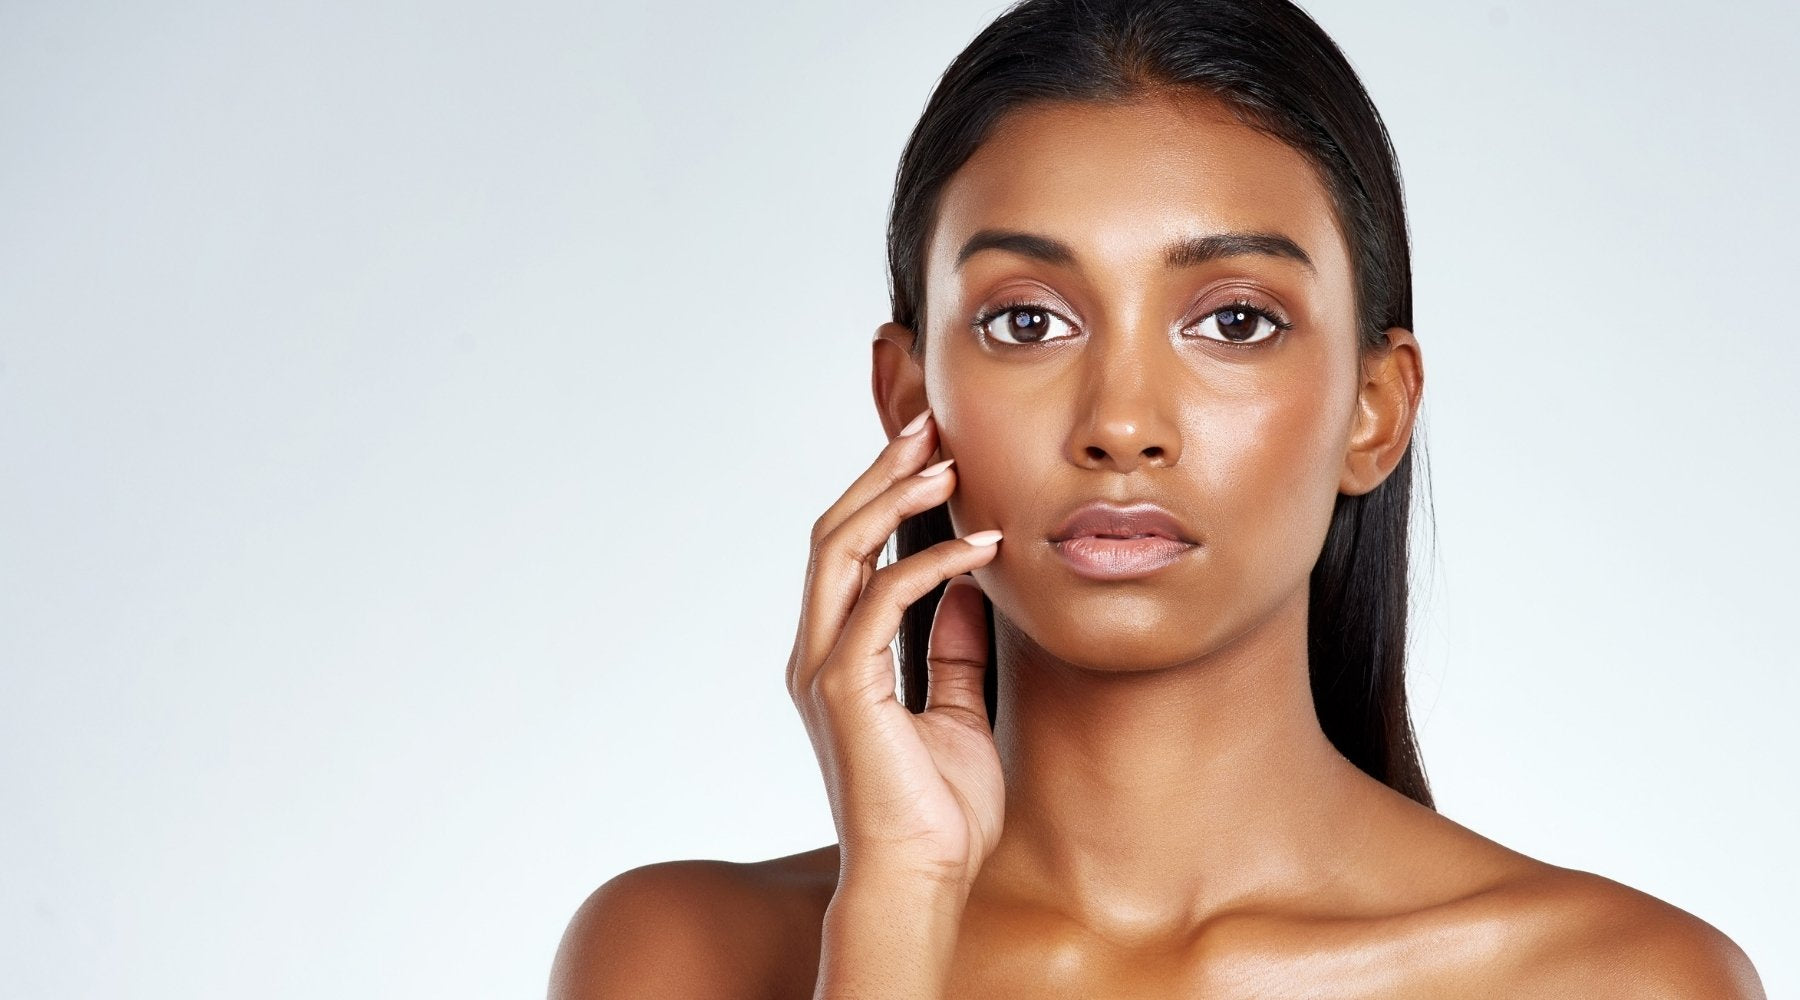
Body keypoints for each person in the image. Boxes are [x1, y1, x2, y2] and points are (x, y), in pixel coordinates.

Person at [550, 0, 1766, 996]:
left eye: (1235, 320)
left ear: (1374, 410)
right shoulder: (677, 956)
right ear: (909, 397)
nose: (1121, 423)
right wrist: (897, 913)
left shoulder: (1618, 981)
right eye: (1029, 320)